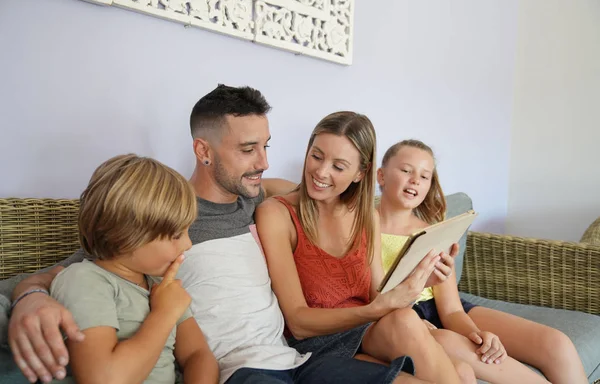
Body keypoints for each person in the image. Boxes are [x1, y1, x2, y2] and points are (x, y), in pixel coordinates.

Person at [3, 85, 430, 384]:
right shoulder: (162, 220)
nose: (264, 162)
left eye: (266, 145)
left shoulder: (256, 198)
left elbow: (313, 193)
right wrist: (29, 296)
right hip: (243, 370)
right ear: (203, 151)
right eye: (248, 150)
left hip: (296, 358)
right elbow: (76, 267)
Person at [255, 112, 471, 384]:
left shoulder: (367, 216)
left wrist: (419, 281)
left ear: (360, 173)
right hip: (315, 344)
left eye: (339, 166)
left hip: (367, 332)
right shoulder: (278, 214)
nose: (321, 172)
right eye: (317, 156)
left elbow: (379, 294)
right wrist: (375, 310)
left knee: (459, 367)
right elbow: (298, 323)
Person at [376, 139, 588, 384]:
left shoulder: (435, 233)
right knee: (454, 344)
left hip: (445, 309)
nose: (415, 180)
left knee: (556, 343)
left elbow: (452, 309)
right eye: (406, 170)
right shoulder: (362, 229)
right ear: (381, 175)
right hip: (402, 316)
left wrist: (477, 334)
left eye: (425, 176)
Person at [49, 154, 218, 384]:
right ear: (127, 236)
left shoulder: (161, 287)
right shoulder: (84, 280)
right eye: (177, 234)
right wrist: (164, 313)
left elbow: (198, 355)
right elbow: (104, 379)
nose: (188, 244)